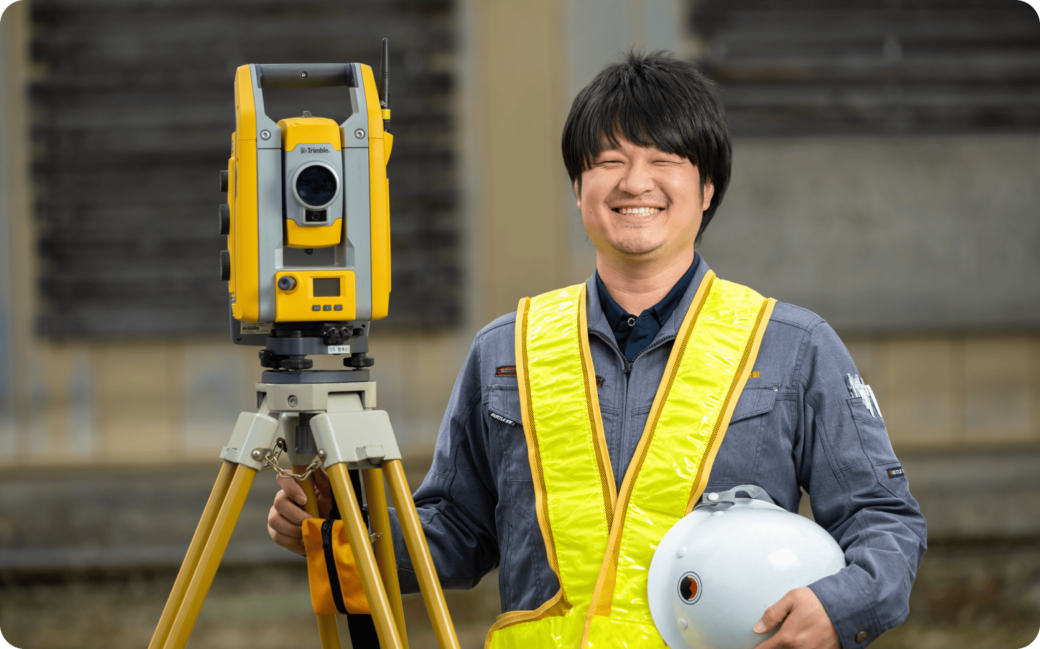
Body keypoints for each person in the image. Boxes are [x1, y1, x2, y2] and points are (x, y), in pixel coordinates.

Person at [268, 51, 927, 649]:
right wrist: (339, 526)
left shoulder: (794, 346)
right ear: (579, 188)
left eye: (664, 159)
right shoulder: (506, 349)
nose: (635, 182)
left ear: (707, 189)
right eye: (610, 160)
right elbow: (456, 531)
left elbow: (883, 519)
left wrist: (835, 607)